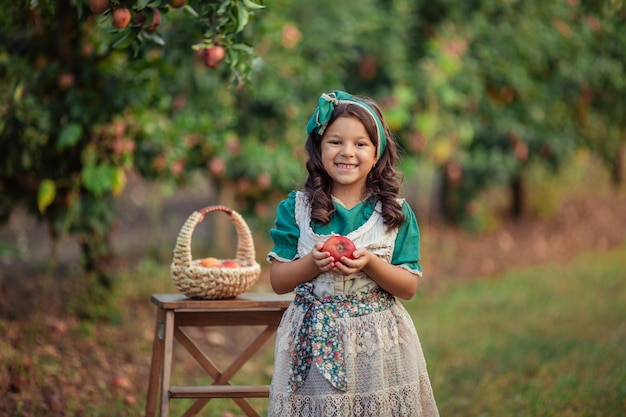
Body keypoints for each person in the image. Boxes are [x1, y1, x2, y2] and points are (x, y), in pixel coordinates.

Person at [266, 90, 439, 416]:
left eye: (360, 144)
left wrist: (371, 263)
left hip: (376, 345)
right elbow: (278, 280)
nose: (347, 152)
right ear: (318, 148)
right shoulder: (296, 209)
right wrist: (312, 264)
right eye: (335, 142)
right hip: (312, 343)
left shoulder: (394, 214)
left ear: (377, 154)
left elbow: (408, 287)